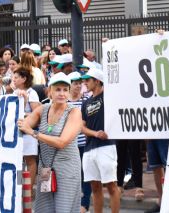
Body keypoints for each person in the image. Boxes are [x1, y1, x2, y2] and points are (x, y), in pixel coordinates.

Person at [18, 72, 82, 213]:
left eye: (65, 90)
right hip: (46, 169)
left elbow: (62, 142)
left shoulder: (74, 112)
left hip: (67, 169)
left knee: (63, 209)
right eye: (58, 89)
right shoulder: (43, 109)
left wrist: (34, 133)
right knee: (43, 210)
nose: (62, 93)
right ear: (50, 92)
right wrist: (20, 104)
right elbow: (22, 127)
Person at [81, 68, 120, 213]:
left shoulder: (108, 96)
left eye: (88, 79)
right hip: (89, 148)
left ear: (97, 81)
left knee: (111, 185)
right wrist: (96, 133)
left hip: (107, 146)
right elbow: (81, 128)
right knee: (95, 187)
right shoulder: (86, 103)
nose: (85, 82)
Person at [13, 66, 41, 197]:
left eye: (16, 77)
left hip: (29, 132)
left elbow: (37, 113)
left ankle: (28, 190)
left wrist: (24, 115)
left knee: (30, 160)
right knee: (18, 161)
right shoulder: (13, 92)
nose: (14, 79)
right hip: (17, 131)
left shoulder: (32, 92)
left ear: (24, 79)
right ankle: (19, 188)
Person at [68, 72, 92, 213]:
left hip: (84, 143)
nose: (78, 86)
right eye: (75, 83)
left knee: (85, 175)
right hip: (70, 144)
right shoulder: (65, 101)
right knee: (72, 175)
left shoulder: (86, 99)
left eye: (79, 83)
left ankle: (85, 204)